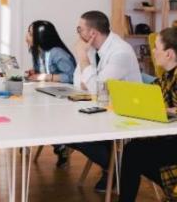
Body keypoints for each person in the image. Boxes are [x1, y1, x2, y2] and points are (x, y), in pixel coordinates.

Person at [69, 11, 142, 192]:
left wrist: (83, 59)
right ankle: (112, 167)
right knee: (70, 133)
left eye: (80, 29)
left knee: (78, 135)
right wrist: (91, 78)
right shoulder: (92, 48)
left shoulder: (120, 52)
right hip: (104, 107)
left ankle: (117, 168)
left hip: (125, 112)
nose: (77, 34)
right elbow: (77, 81)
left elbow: (97, 88)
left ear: (92, 33)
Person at [119, 27, 177, 202]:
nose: (153, 51)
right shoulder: (167, 76)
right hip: (171, 137)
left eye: (156, 48)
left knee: (133, 152)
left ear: (169, 54)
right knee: (135, 151)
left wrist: (168, 110)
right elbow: (153, 93)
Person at [25, 20, 77, 168]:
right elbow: (44, 71)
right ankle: (58, 146)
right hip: (47, 95)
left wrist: (46, 77)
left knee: (39, 115)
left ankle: (61, 147)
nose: (27, 35)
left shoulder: (57, 53)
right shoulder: (38, 51)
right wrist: (36, 73)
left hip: (63, 100)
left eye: (30, 32)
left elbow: (72, 77)